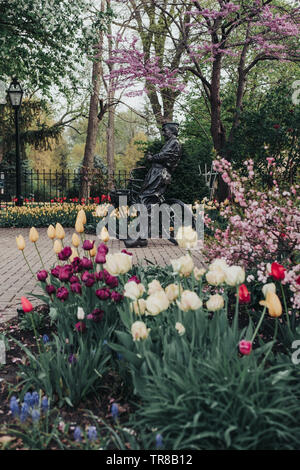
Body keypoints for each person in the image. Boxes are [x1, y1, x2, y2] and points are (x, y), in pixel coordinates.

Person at [124, 122, 181, 248]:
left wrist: (151, 157)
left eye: (165, 130)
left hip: (159, 174)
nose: (164, 133)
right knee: (145, 200)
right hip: (157, 173)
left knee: (146, 201)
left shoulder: (174, 142)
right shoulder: (171, 142)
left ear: (171, 131)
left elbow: (164, 156)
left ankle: (140, 236)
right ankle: (142, 237)